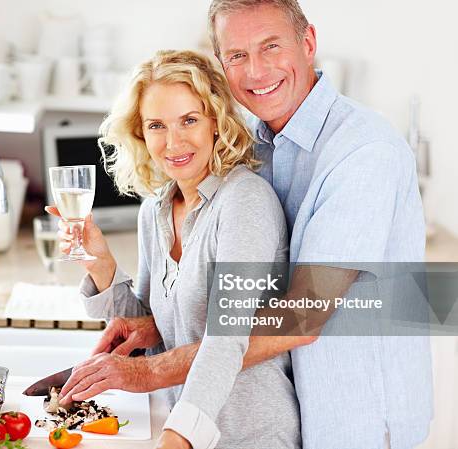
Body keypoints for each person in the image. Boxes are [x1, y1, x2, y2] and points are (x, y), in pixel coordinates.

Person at [54, 1, 434, 449]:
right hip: (279, 413)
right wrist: (147, 314)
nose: (255, 71)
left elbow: (303, 314)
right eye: (237, 55)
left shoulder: (363, 155)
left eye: (270, 46)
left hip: (358, 414)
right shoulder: (253, 147)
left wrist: (150, 370)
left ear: (308, 43)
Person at [47, 49, 303, 449]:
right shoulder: (154, 211)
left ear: (216, 121)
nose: (174, 142)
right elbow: (152, 333)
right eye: (156, 126)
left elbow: (227, 337)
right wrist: (100, 263)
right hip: (180, 428)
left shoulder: (244, 202)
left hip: (251, 436)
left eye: (189, 120)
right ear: (140, 134)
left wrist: (178, 437)